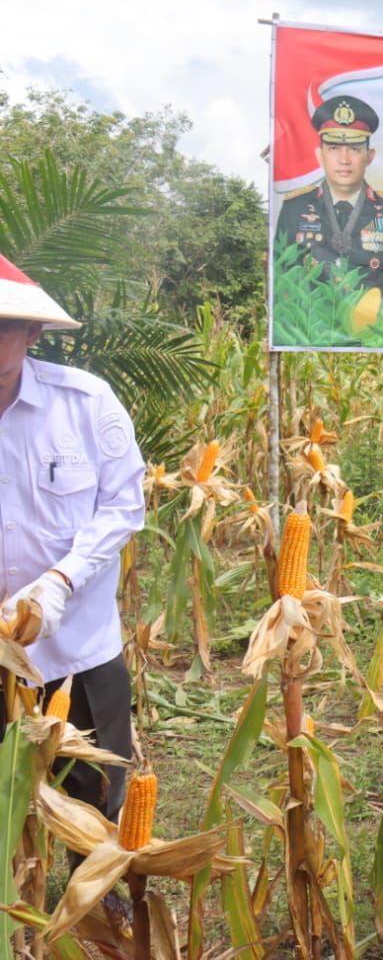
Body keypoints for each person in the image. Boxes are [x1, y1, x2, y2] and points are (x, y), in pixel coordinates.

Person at [0, 253, 143, 821]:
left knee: (93, 795)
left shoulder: (85, 403)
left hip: (76, 646)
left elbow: (123, 504)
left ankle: (100, 903)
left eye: (4, 327)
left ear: (32, 332)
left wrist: (59, 581)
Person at [274, 94, 383, 302]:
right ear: (320, 155)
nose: (344, 160)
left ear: (370, 156)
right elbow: (279, 272)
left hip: (374, 331)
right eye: (333, 149)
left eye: (355, 149)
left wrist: (379, 311)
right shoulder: (295, 208)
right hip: (313, 330)